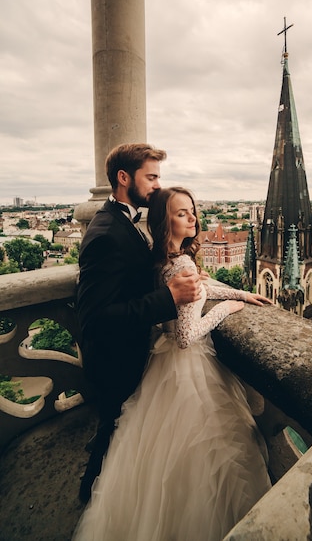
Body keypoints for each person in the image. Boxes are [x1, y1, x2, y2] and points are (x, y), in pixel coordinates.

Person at [73, 186, 272, 541]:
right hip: (187, 367)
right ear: (166, 221)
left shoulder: (159, 258)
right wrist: (227, 310)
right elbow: (186, 335)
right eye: (182, 213)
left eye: (193, 210)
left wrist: (240, 292)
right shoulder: (180, 263)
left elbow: (202, 285)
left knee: (154, 463)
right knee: (202, 461)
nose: (193, 217)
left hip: (159, 364)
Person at [76, 146, 202, 504]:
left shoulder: (122, 223)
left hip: (128, 354)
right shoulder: (106, 233)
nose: (157, 186)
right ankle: (93, 497)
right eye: (152, 177)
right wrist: (169, 297)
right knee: (113, 437)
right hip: (116, 361)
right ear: (123, 178)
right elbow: (96, 318)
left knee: (122, 438)